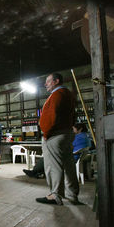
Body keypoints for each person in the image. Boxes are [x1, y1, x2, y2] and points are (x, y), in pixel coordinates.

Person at [36, 73, 79, 205]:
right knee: (69, 165)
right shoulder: (68, 94)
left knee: (53, 166)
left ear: (56, 81)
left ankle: (55, 195)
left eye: (48, 81)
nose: (45, 84)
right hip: (66, 133)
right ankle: (72, 195)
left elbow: (50, 116)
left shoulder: (57, 94)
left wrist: (45, 132)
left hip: (54, 135)